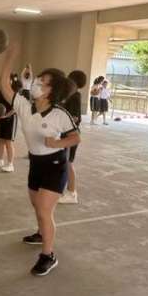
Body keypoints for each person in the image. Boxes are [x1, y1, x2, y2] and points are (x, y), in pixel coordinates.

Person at [1, 44, 80, 276]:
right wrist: (9, 58)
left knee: (45, 210)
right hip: (36, 164)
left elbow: (76, 138)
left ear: (51, 91)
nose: (36, 83)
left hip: (55, 166)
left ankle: (48, 255)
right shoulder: (25, 107)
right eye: (38, 79)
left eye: (42, 82)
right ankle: (40, 233)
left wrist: (57, 143)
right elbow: (5, 85)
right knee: (37, 206)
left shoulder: (59, 114)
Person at [59, 70, 87, 204]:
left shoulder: (75, 96)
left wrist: (62, 125)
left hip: (70, 135)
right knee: (63, 163)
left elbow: (75, 118)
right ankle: (62, 189)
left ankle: (72, 193)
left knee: (68, 163)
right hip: (63, 134)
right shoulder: (69, 95)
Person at [0, 77, 20, 172]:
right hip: (0, 118)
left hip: (11, 119)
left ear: (11, 81)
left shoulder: (13, 93)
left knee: (8, 142)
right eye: (1, 80)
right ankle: (0, 161)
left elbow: (16, 108)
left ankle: (10, 164)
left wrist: (6, 115)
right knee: (0, 140)